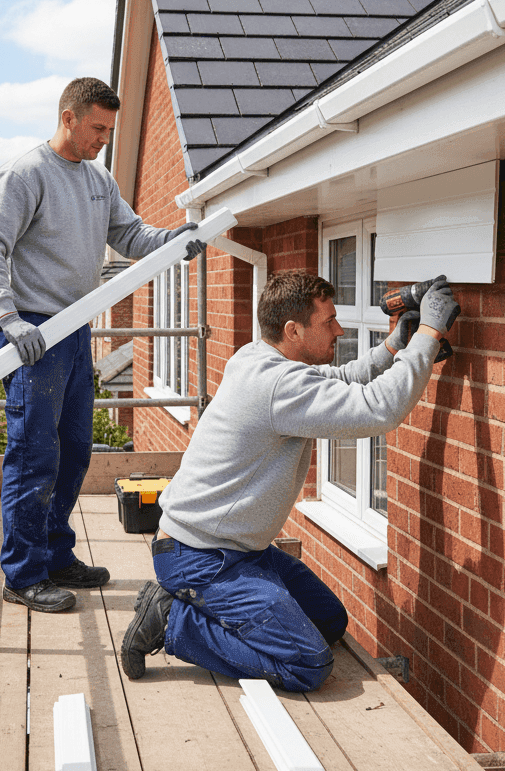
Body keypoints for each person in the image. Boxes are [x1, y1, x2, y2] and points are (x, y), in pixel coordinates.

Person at [120, 269, 459, 691]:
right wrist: (429, 333)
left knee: (329, 622)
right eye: (328, 321)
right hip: (200, 557)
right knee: (308, 665)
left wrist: (392, 348)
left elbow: (337, 381)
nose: (339, 330)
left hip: (238, 549)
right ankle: (173, 619)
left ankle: (210, 610)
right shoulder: (278, 385)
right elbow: (379, 408)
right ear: (293, 330)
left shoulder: (257, 357)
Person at [0, 76, 205, 614]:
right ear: (68, 117)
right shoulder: (25, 174)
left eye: (109, 130)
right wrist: (7, 317)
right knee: (34, 455)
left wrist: (173, 242)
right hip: (33, 331)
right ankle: (23, 574)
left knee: (74, 451)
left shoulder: (98, 180)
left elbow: (131, 235)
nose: (103, 138)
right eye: (97, 128)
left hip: (75, 330)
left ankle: (55, 556)